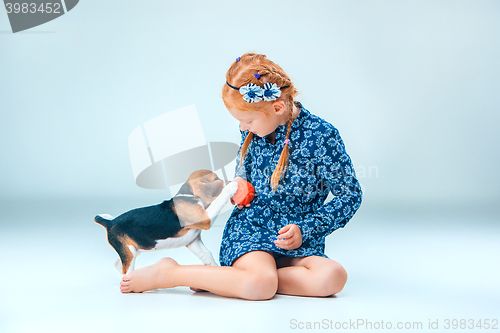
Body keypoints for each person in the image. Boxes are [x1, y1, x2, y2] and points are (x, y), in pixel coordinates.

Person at [120, 53, 362, 300]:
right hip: (252, 230)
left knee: (332, 277)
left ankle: (229, 279)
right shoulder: (256, 129)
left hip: (297, 240)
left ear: (277, 108)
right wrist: (239, 183)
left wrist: (306, 229)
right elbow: (243, 170)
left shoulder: (323, 136)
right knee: (260, 286)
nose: (242, 128)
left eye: (247, 120)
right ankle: (171, 272)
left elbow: (350, 195)